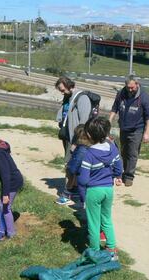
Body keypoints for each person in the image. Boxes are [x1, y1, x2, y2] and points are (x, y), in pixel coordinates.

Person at [78, 117, 123, 260]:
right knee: (107, 219)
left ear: (89, 135)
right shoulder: (112, 146)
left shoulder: (89, 154)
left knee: (93, 223)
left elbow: (83, 179)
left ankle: (94, 252)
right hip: (108, 189)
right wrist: (117, 175)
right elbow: (118, 164)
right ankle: (111, 249)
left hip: (93, 191)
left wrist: (82, 196)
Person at [109, 75, 149, 187]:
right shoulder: (121, 93)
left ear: (137, 84)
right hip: (124, 128)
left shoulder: (144, 96)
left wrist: (147, 133)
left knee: (132, 153)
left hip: (137, 129)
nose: (130, 89)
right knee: (123, 152)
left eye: (132, 87)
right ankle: (122, 172)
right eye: (128, 87)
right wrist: (109, 121)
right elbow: (115, 108)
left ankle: (129, 176)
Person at [55, 76, 92, 204]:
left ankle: (68, 193)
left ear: (69, 85)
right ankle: (75, 190)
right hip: (69, 136)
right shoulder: (69, 97)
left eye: (63, 90)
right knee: (73, 166)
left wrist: (76, 142)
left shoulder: (82, 99)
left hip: (77, 139)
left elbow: (84, 122)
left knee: (70, 166)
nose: (62, 92)